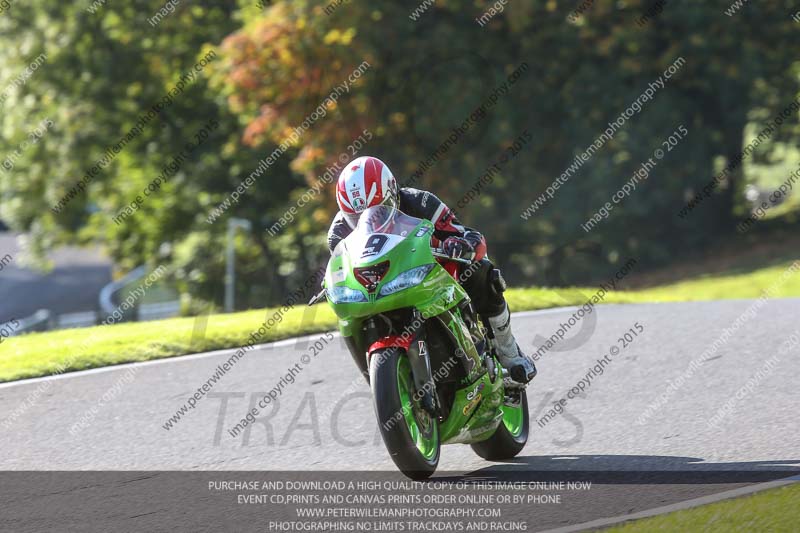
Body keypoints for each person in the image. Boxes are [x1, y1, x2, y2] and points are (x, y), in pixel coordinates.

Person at [327, 155, 537, 383]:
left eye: (378, 210)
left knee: (483, 271)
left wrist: (460, 243)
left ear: (392, 193)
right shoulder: (338, 232)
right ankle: (384, 380)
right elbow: (342, 266)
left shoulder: (421, 202)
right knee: (347, 317)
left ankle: (509, 353)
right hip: (381, 288)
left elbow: (463, 233)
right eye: (354, 217)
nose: (369, 221)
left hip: (429, 273)